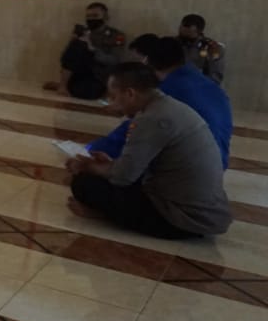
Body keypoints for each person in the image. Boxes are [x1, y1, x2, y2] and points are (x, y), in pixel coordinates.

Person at [67, 62, 230, 239]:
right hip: (204, 211)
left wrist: (89, 167)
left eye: (114, 97)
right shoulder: (169, 106)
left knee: (84, 183)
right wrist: (110, 165)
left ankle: (104, 215)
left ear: (130, 94)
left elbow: (123, 177)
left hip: (183, 219)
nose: (112, 103)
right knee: (107, 179)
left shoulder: (151, 119)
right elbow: (136, 167)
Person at [88, 36, 232, 169]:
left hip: (188, 170)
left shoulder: (165, 93)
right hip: (217, 165)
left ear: (148, 64)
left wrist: (90, 150)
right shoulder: (207, 84)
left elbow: (131, 133)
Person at [43, 1, 125, 99]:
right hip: (78, 70)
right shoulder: (82, 31)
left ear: (105, 17)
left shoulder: (116, 35)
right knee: (78, 44)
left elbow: (114, 60)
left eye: (95, 16)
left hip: (98, 74)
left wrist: (93, 50)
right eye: (88, 16)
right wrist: (74, 41)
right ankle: (63, 85)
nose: (91, 19)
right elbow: (67, 57)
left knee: (88, 93)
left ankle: (61, 85)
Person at [178, 13, 225, 85]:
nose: (185, 41)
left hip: (199, 87)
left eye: (189, 37)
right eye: (182, 35)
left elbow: (215, 76)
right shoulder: (172, 43)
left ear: (199, 32)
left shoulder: (212, 48)